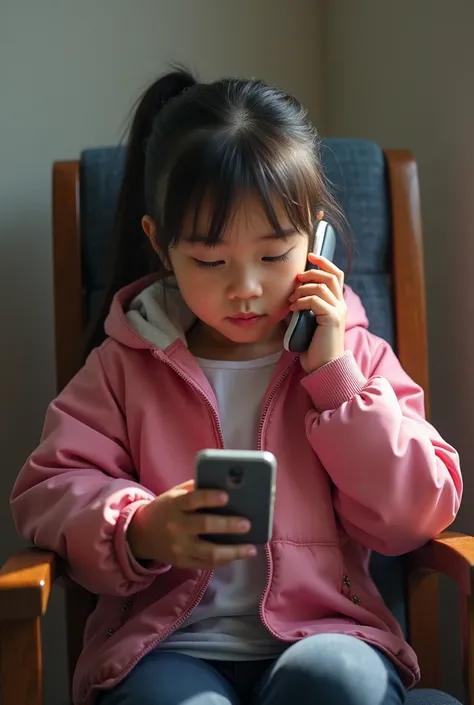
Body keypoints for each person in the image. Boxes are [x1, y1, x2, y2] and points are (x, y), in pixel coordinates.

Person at [11, 68, 462, 705]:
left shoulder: (356, 357)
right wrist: (139, 526)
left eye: (275, 255)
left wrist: (336, 383)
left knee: (336, 683)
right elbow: (50, 490)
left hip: (328, 634)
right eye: (209, 261)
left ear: (316, 239)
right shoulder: (123, 366)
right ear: (160, 246)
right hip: (166, 646)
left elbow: (417, 513)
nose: (245, 287)